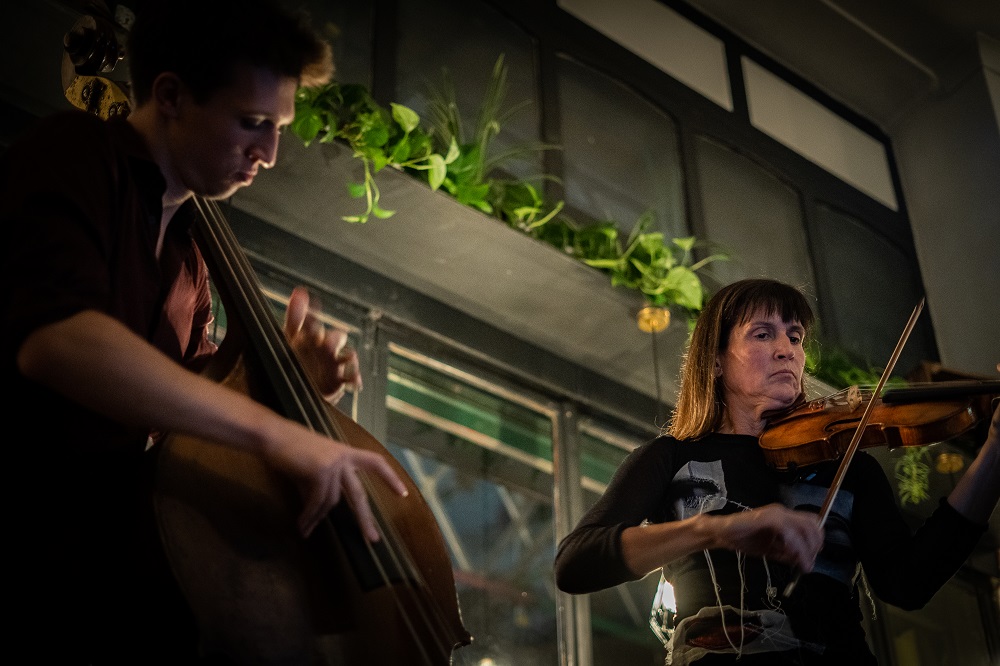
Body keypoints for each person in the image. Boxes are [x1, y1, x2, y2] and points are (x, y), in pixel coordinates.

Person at [1, 0, 409, 663]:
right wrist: (276, 432)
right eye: (252, 123)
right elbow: (57, 340)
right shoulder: (73, 154)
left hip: (104, 577)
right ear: (170, 95)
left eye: (277, 129)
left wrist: (280, 388)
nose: (269, 155)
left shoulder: (192, 258)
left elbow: (176, 431)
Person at [555, 278, 999, 665]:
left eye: (796, 336)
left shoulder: (847, 465)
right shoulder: (672, 458)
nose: (787, 349)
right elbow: (576, 563)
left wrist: (995, 451)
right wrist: (715, 531)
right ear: (715, 360)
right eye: (763, 334)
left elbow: (909, 583)